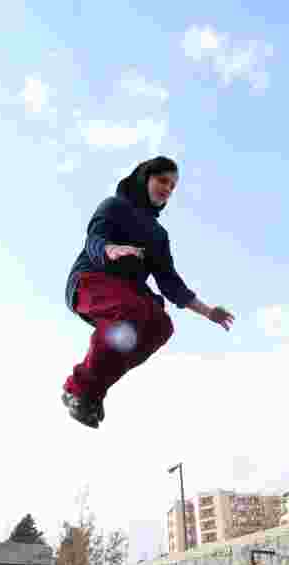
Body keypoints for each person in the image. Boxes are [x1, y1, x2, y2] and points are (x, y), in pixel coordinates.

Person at [62, 156, 234, 428]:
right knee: (134, 310)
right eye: (162, 180)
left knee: (160, 325)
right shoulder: (115, 206)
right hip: (90, 280)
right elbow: (94, 239)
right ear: (145, 178)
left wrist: (209, 311)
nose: (167, 189)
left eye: (173, 186)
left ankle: (89, 394)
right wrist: (110, 250)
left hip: (126, 294)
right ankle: (79, 387)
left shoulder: (158, 234)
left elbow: (170, 284)